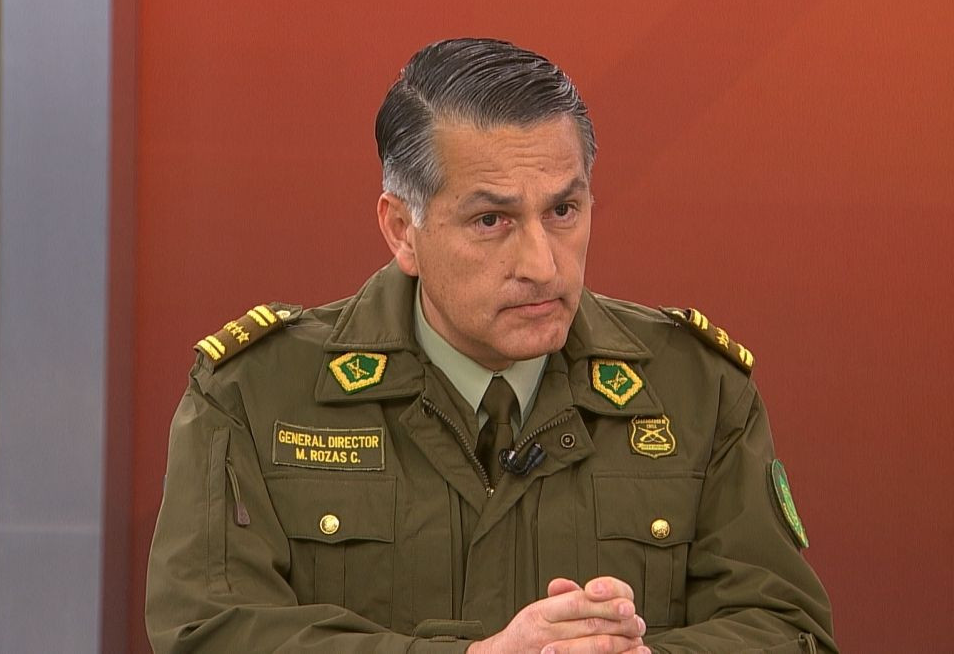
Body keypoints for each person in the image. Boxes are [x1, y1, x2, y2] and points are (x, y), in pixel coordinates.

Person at [145, 38, 836, 653]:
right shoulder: (252, 395)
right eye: (490, 220)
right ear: (402, 230)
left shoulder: (700, 391)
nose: (542, 263)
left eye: (563, 210)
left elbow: (788, 630)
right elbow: (208, 632)